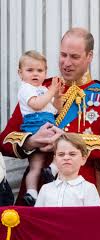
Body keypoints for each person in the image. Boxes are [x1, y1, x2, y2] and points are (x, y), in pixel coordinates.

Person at [0, 27, 100, 205]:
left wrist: (64, 141)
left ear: (89, 57)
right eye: (63, 55)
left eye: (74, 57)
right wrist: (31, 141)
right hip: (36, 194)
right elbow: (5, 140)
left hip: (82, 193)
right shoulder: (40, 88)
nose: (66, 63)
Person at [17, 50, 63, 206]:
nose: (35, 74)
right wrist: (51, 91)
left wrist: (57, 96)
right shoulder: (26, 88)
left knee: (35, 166)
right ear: (20, 73)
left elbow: (56, 110)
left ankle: (32, 193)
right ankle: (53, 169)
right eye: (30, 70)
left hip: (45, 122)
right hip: (36, 125)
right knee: (63, 141)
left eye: (40, 70)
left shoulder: (43, 89)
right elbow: (36, 104)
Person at [35, 133, 100, 206]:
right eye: (61, 154)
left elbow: (94, 216)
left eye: (72, 154)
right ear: (55, 159)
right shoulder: (45, 189)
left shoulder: (88, 189)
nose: (66, 158)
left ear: (83, 159)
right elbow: (37, 216)